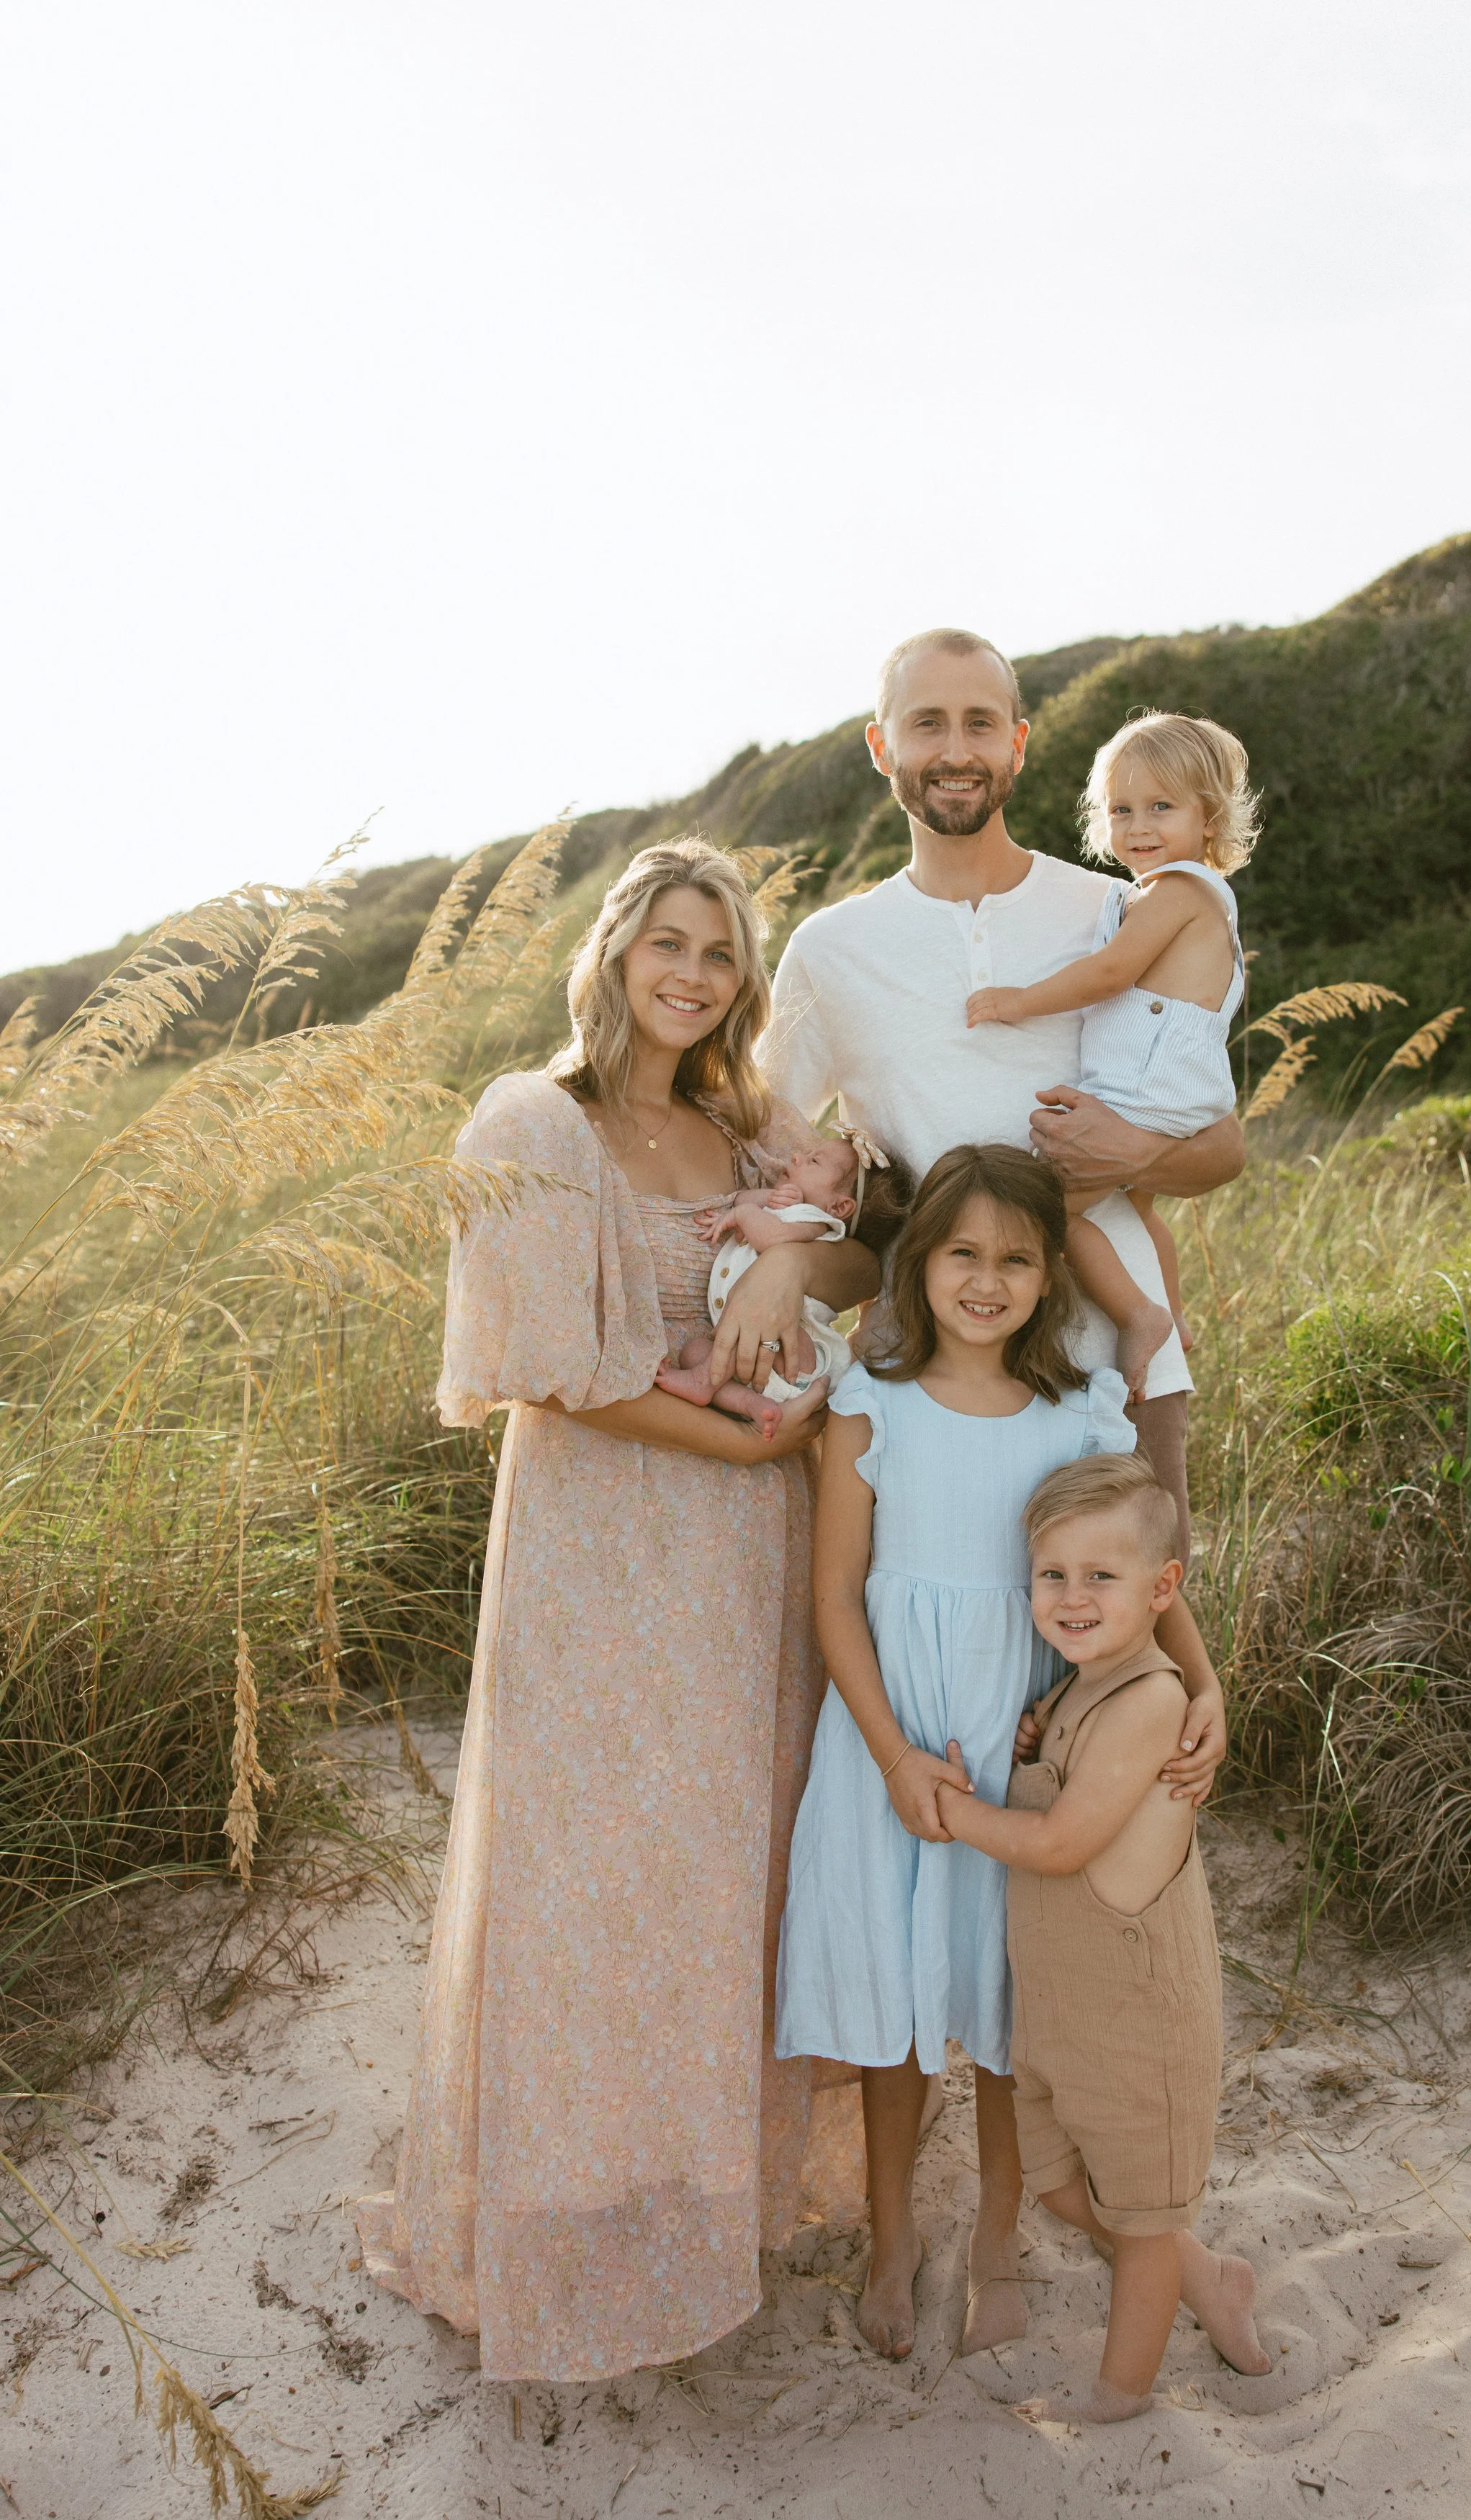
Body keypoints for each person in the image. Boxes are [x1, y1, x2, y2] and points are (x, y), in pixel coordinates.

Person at [356, 836, 878, 2383]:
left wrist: (790, 1267)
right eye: (669, 943)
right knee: (588, 1873)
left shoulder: (740, 1118)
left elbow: (851, 1230)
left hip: (746, 1556)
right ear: (612, 952)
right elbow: (542, 1367)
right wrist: (729, 1431)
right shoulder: (536, 1119)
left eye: (720, 952)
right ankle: (563, 2220)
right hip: (603, 1546)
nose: (693, 974)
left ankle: (703, 2195)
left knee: (721, 1863)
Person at [775, 1143, 1229, 2364]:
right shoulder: (875, 1407)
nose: (987, 1279)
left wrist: (1208, 1678)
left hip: (1023, 1747)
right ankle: (891, 2241)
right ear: (919, 1264)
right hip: (893, 1743)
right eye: (962, 1253)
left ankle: (995, 2238)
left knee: (1003, 1997)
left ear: (1046, 1280)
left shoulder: (1077, 1412)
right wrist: (891, 1758)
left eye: (1016, 1259)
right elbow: (833, 1605)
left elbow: (1138, 1568)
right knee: (894, 2004)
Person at [765, 625, 1246, 1581]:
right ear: (882, 746)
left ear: (1018, 744)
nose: (955, 750)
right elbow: (762, 1149)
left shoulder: (1115, 911)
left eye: (980, 724)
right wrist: (783, 1275)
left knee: (1116, 1668)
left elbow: (1221, 1144)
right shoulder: (829, 949)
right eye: (928, 723)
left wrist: (1134, 1158)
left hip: (1110, 1368)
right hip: (922, 1381)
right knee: (933, 1661)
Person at [933, 1451, 1272, 2421]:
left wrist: (953, 1811)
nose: (1071, 1598)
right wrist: (1038, 1739)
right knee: (1059, 2188)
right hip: (1062, 2011)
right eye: (1053, 1575)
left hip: (1136, 2021)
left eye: (1101, 1577)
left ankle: (1120, 2399)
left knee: (1143, 2219)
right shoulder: (1082, 1684)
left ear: (1164, 1589)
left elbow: (1058, 1842)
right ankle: (1211, 2277)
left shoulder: (1154, 1699)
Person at [966, 712, 1255, 1404]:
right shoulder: (1169, 896)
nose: (1139, 827)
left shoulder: (1178, 891)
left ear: (1209, 819)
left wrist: (1019, 1001)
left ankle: (1139, 1315)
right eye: (1121, 810)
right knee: (1142, 1211)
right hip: (1176, 1088)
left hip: (1147, 1090)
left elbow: (1108, 974)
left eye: (1162, 807)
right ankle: (1175, 1321)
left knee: (1048, 1213)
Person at [654, 1125, 915, 1438]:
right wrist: (770, 1198)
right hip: (753, 1357)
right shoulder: (790, 1211)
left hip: (791, 1355)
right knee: (696, 1352)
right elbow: (740, 1200)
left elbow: (770, 1237)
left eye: (813, 1161)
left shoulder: (818, 1224)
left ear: (840, 1207)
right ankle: (749, 1403)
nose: (796, 1157)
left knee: (720, 1353)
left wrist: (745, 1215)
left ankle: (704, 1382)